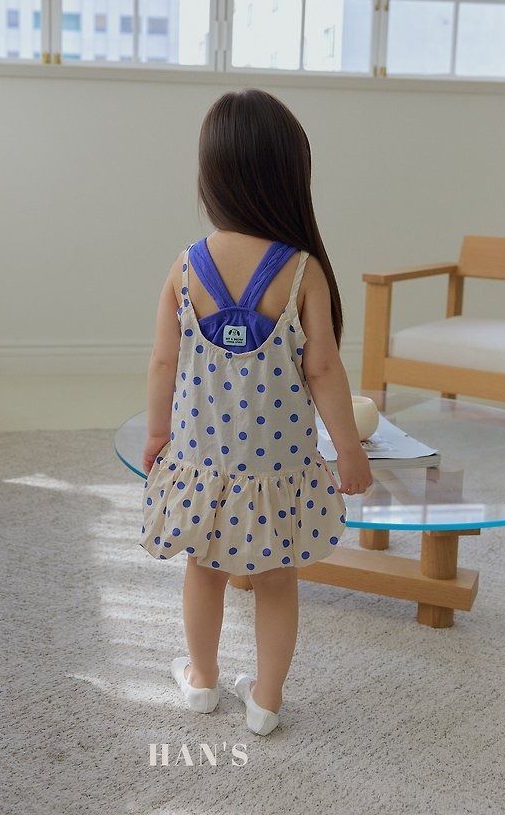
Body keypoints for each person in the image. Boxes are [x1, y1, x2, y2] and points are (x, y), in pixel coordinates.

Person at [140, 89, 373, 736]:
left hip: (203, 462)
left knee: (204, 568)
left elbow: (162, 363)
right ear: (288, 177)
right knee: (276, 578)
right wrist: (349, 450)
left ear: (211, 176)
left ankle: (202, 678)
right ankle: (266, 700)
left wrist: (157, 433)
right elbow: (323, 370)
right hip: (278, 470)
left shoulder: (186, 268)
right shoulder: (301, 271)